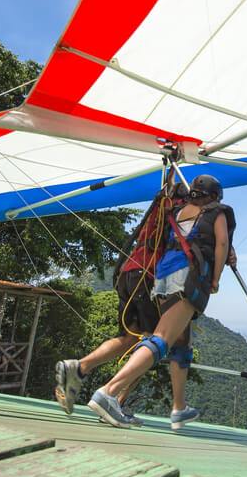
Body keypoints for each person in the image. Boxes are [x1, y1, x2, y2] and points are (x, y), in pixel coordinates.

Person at [89, 173, 235, 430]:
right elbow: (221, 242)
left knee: (182, 340)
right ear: (214, 196)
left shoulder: (177, 212)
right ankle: (109, 392)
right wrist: (216, 278)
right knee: (161, 339)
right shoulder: (217, 211)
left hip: (163, 276)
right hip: (187, 276)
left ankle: (179, 408)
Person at [54, 182, 182, 425]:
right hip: (149, 276)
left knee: (129, 338)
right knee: (152, 343)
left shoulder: (159, 205)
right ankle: (115, 402)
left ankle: (78, 368)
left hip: (129, 272)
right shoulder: (178, 210)